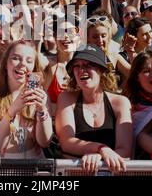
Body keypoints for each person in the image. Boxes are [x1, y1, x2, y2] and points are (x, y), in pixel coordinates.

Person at [55, 45, 132, 173]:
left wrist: (99, 157)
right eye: (77, 66)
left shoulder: (120, 103)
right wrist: (100, 148)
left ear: (101, 70)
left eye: (88, 65)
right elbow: (67, 142)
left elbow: (124, 150)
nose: (81, 70)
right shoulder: (66, 99)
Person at [0, 40, 53, 159]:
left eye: (29, 61)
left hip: (32, 169)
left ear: (33, 67)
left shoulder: (40, 96)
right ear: (5, 64)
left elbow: (44, 142)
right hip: (2, 168)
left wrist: (41, 110)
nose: (22, 64)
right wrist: (12, 111)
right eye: (16, 58)